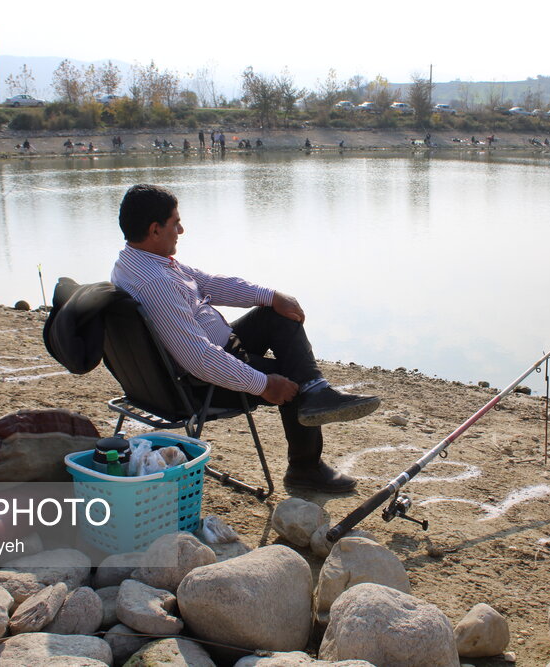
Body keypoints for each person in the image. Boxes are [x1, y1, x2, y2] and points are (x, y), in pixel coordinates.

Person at [111, 184, 380, 493]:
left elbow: (206, 282)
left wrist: (270, 296)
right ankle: (305, 467)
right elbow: (200, 359)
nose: (181, 230)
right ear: (155, 229)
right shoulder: (155, 283)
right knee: (292, 378)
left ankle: (316, 390)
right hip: (201, 384)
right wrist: (264, 385)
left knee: (276, 314)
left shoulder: (138, 261)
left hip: (214, 353)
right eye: (175, 223)